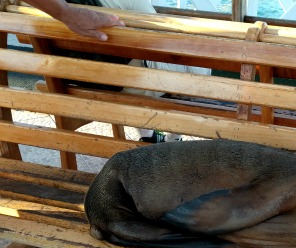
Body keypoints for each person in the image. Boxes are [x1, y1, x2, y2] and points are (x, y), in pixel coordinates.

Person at [25, 0, 211, 142]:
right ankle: (173, 140)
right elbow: (159, 43)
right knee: (200, 69)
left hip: (69, 83)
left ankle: (148, 136)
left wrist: (63, 12)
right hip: (122, 86)